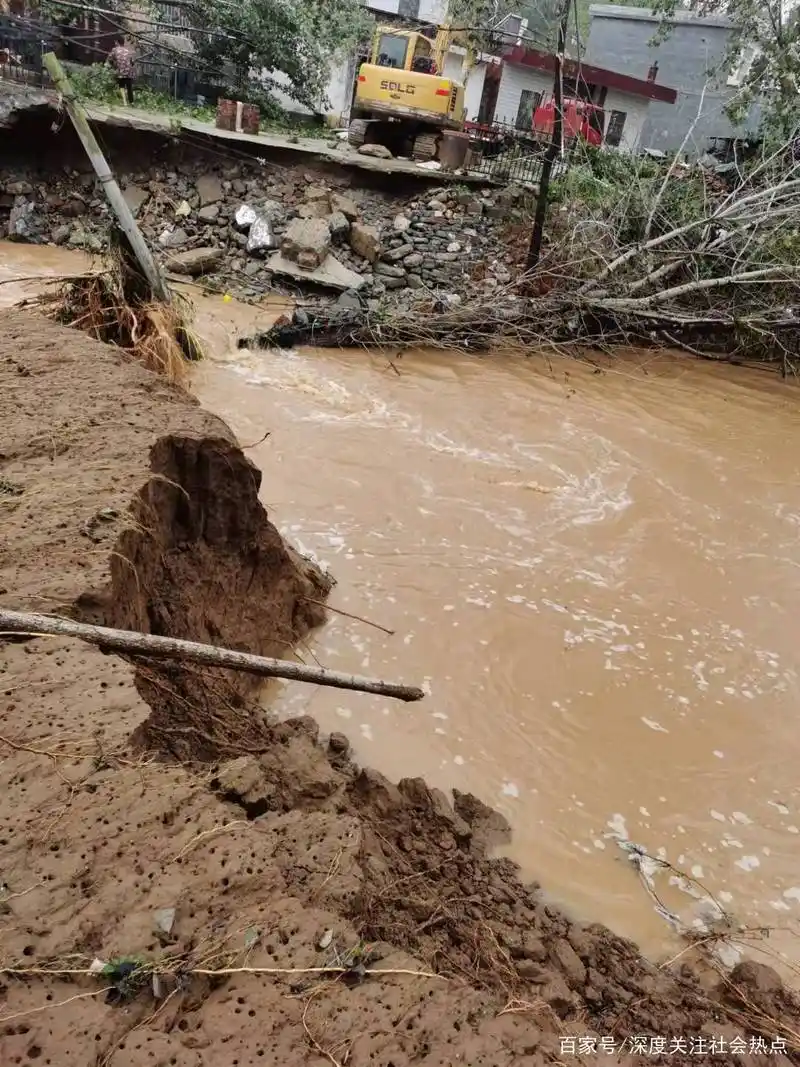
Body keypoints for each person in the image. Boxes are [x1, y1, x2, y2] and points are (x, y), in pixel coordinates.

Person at [107, 37, 136, 106]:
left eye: (115, 42)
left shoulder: (115, 49)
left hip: (121, 71)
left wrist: (113, 66)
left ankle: (124, 102)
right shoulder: (127, 50)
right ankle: (132, 102)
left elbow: (110, 59)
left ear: (117, 42)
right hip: (130, 71)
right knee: (129, 86)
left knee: (121, 85)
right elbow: (132, 62)